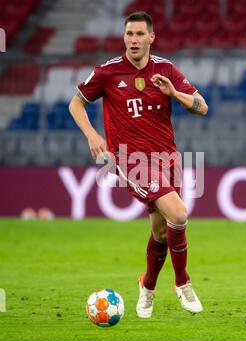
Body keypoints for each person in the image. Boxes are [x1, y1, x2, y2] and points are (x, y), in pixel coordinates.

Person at [69, 11, 208, 318]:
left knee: (161, 232)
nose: (133, 40)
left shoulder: (166, 69)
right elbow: (75, 102)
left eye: (138, 34)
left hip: (168, 159)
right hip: (131, 161)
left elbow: (202, 106)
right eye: (128, 34)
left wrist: (175, 93)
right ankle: (183, 283)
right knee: (179, 214)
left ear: (150, 38)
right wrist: (92, 135)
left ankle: (147, 287)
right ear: (124, 37)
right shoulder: (108, 72)